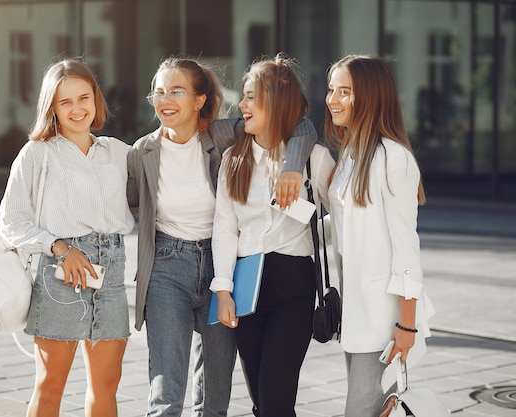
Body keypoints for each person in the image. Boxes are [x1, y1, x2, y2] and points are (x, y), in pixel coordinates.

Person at [126, 56, 316, 417]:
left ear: (199, 100)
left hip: (220, 263)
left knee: (215, 390)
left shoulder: (223, 134)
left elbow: (298, 124)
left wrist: (292, 167)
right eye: (159, 92)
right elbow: (133, 203)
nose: (165, 99)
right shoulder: (142, 152)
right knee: (167, 387)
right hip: (167, 268)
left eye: (176, 91)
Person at [0, 58, 133, 417]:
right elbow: (10, 221)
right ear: (52, 108)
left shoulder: (119, 152)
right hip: (60, 278)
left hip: (112, 276)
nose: (77, 109)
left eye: (83, 98)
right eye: (65, 101)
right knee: (50, 386)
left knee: (106, 387)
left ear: (96, 99)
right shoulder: (37, 153)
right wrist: (59, 247)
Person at [211, 53, 335, 417]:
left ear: (276, 104)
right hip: (245, 284)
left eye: (251, 98)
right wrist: (223, 290)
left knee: (276, 402)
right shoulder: (233, 158)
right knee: (262, 402)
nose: (242, 105)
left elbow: (345, 220)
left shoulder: (313, 158)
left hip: (292, 287)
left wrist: (313, 226)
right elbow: (224, 228)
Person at [323, 54, 434, 417]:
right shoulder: (351, 154)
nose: (332, 100)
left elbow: (407, 249)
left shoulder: (393, 158)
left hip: (383, 319)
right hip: (355, 312)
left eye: (345, 92)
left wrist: (406, 324)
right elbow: (345, 228)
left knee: (360, 411)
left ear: (370, 97)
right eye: (331, 90)